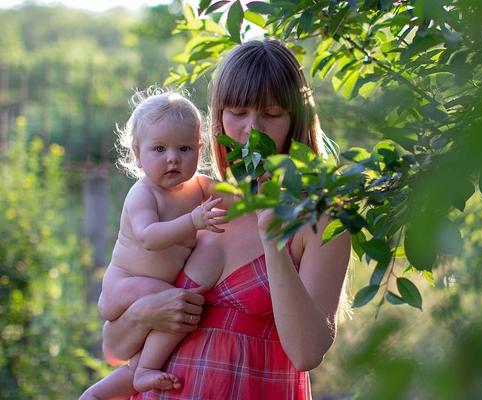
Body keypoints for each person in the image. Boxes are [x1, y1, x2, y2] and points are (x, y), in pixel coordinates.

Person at [100, 39, 351, 399]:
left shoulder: (320, 216)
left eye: (272, 113)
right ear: (217, 117)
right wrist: (146, 312)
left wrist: (273, 240)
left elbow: (307, 353)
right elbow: (115, 346)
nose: (254, 128)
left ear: (295, 119)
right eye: (238, 112)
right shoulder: (195, 201)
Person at [80, 90, 232, 399]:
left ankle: (104, 390)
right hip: (126, 285)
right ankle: (146, 370)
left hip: (150, 287)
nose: (172, 157)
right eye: (159, 148)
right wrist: (193, 222)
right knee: (182, 305)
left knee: (180, 311)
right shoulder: (143, 193)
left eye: (184, 148)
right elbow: (149, 236)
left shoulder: (199, 187)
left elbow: (240, 201)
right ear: (137, 153)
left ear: (200, 150)